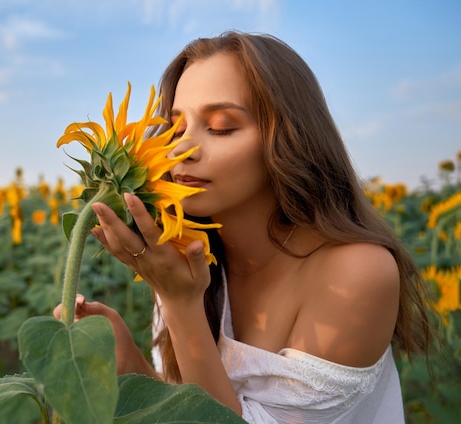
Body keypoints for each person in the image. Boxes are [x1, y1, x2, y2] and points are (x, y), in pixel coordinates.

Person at [54, 31, 432, 423]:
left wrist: (180, 303)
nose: (181, 149)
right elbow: (184, 406)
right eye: (175, 129)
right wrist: (126, 362)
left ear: (288, 138)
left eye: (220, 127)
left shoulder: (355, 272)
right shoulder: (185, 253)